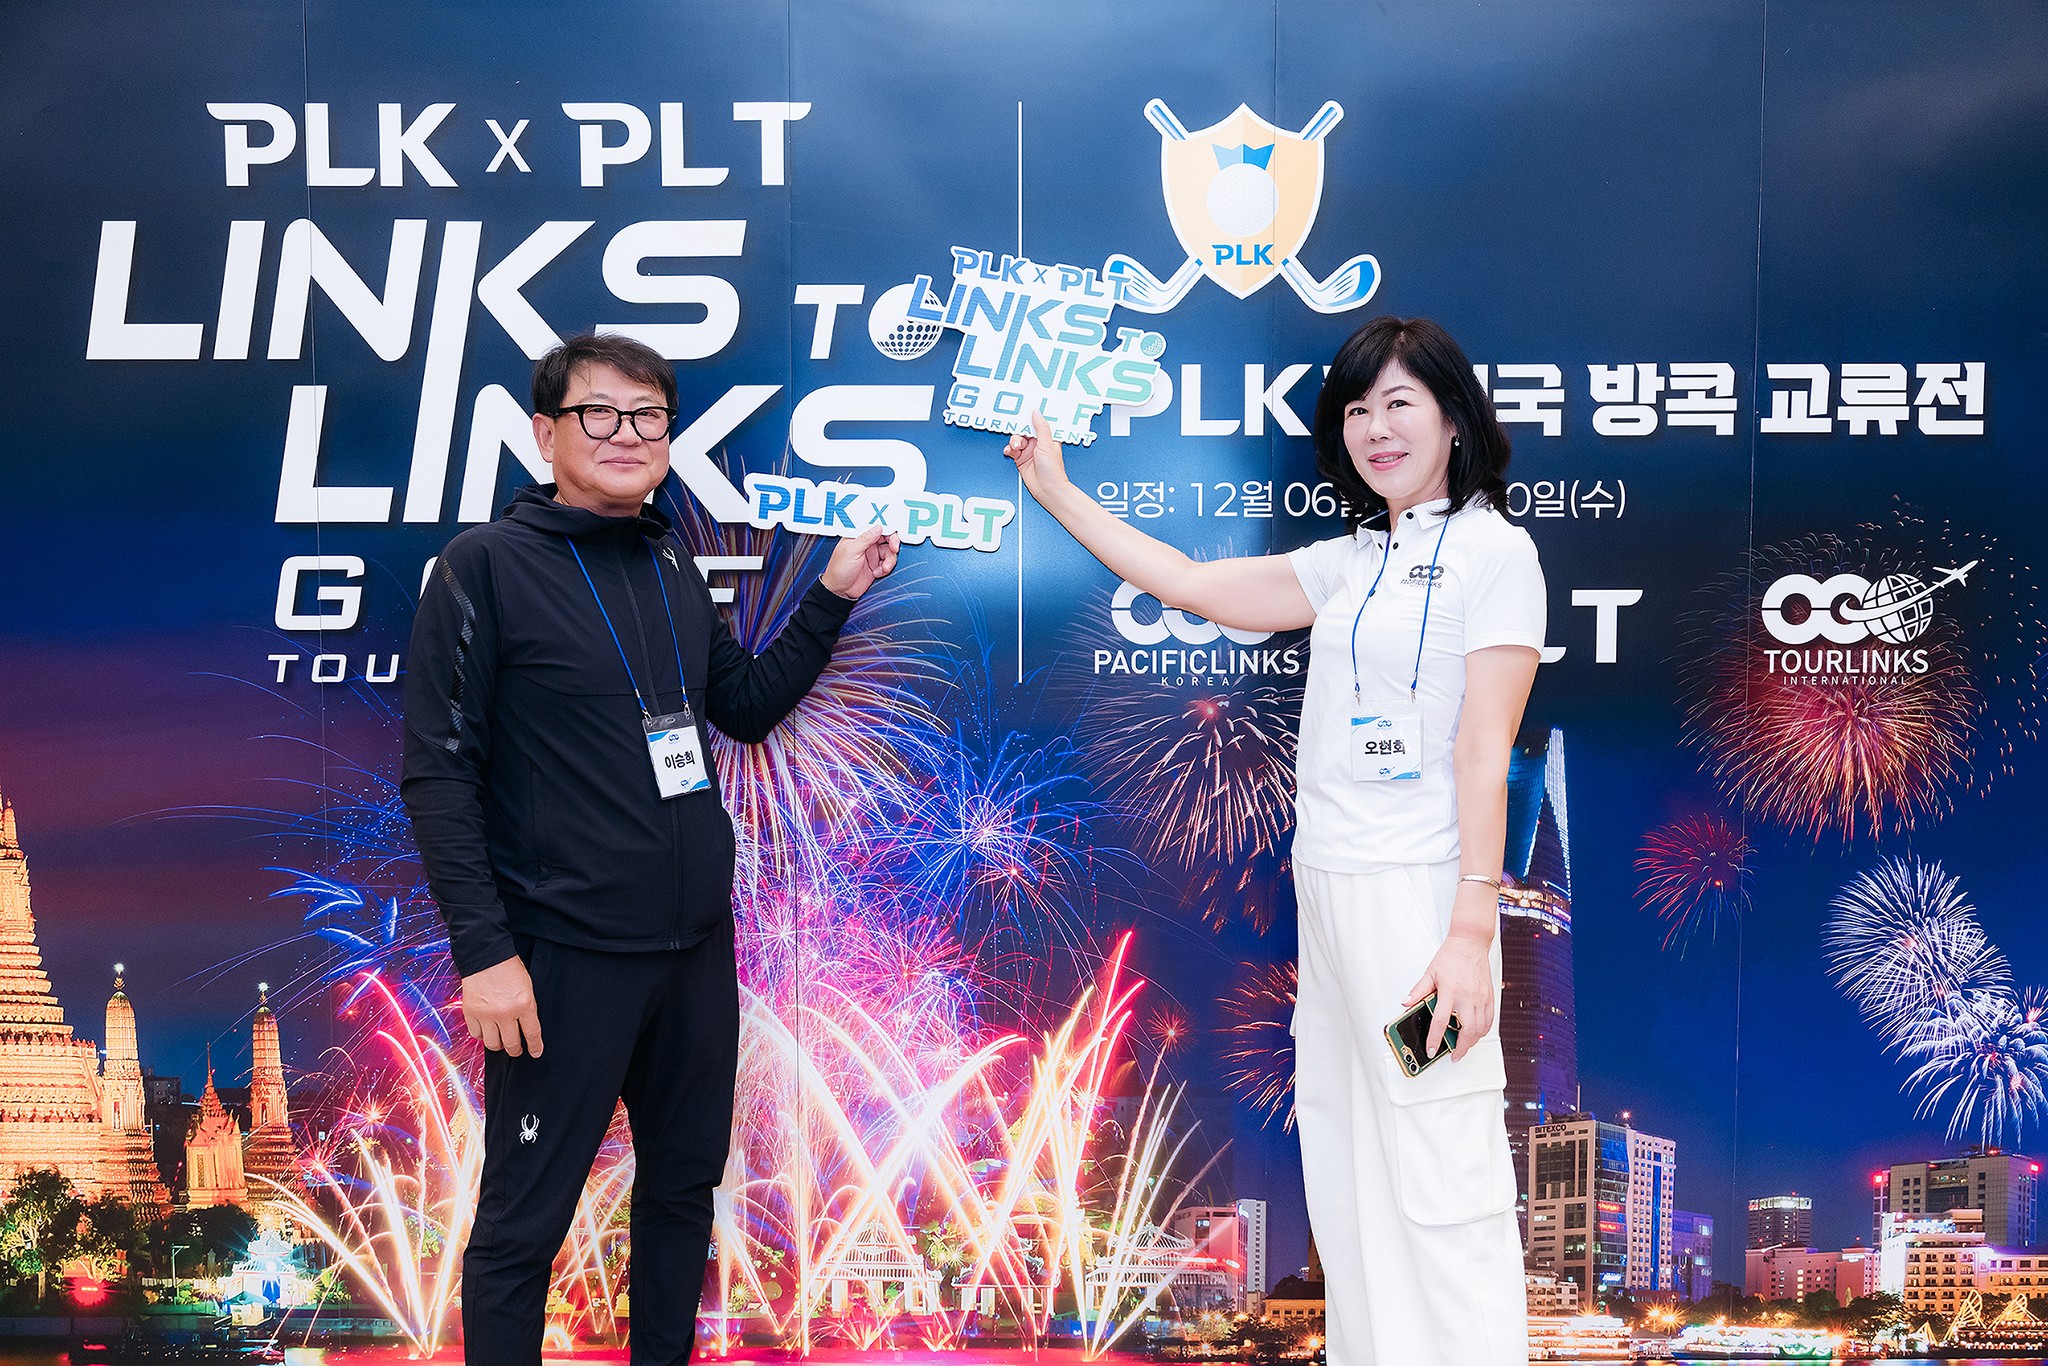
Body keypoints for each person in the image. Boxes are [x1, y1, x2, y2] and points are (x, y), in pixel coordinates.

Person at [1004, 315, 1542, 1364]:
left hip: (1419, 903)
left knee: (1439, 1169)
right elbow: (1187, 585)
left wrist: (1468, 934)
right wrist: (1055, 489)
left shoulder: (1496, 552)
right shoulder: (1352, 561)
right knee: (1346, 1166)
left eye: (1399, 403)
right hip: (1330, 901)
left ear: (1454, 420)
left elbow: (1486, 749)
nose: (1376, 429)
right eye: (1357, 410)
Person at [402, 332, 899, 1364]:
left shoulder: (671, 561)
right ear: (546, 433)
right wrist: (485, 954)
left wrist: (831, 592)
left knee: (681, 1196)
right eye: (599, 413)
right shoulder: (481, 568)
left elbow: (743, 706)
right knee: (523, 1225)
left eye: (648, 416)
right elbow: (438, 775)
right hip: (561, 957)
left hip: (693, 953)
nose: (626, 434)